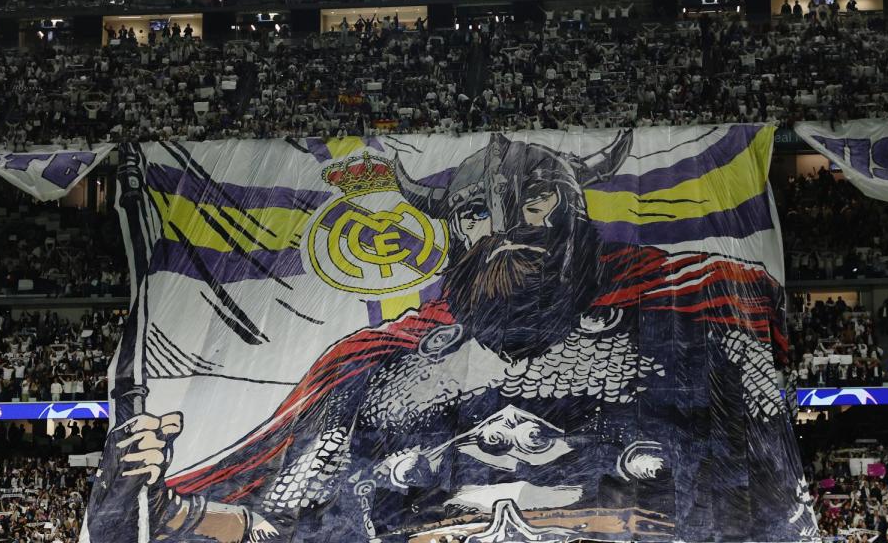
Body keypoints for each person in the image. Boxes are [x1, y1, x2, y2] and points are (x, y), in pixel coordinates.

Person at [96, 133, 816, 542]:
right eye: (475, 212)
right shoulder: (382, 387)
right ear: (451, 236)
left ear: (577, 217)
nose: (502, 226)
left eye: (535, 199)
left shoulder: (704, 355)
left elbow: (783, 514)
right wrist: (160, 506)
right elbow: (278, 528)